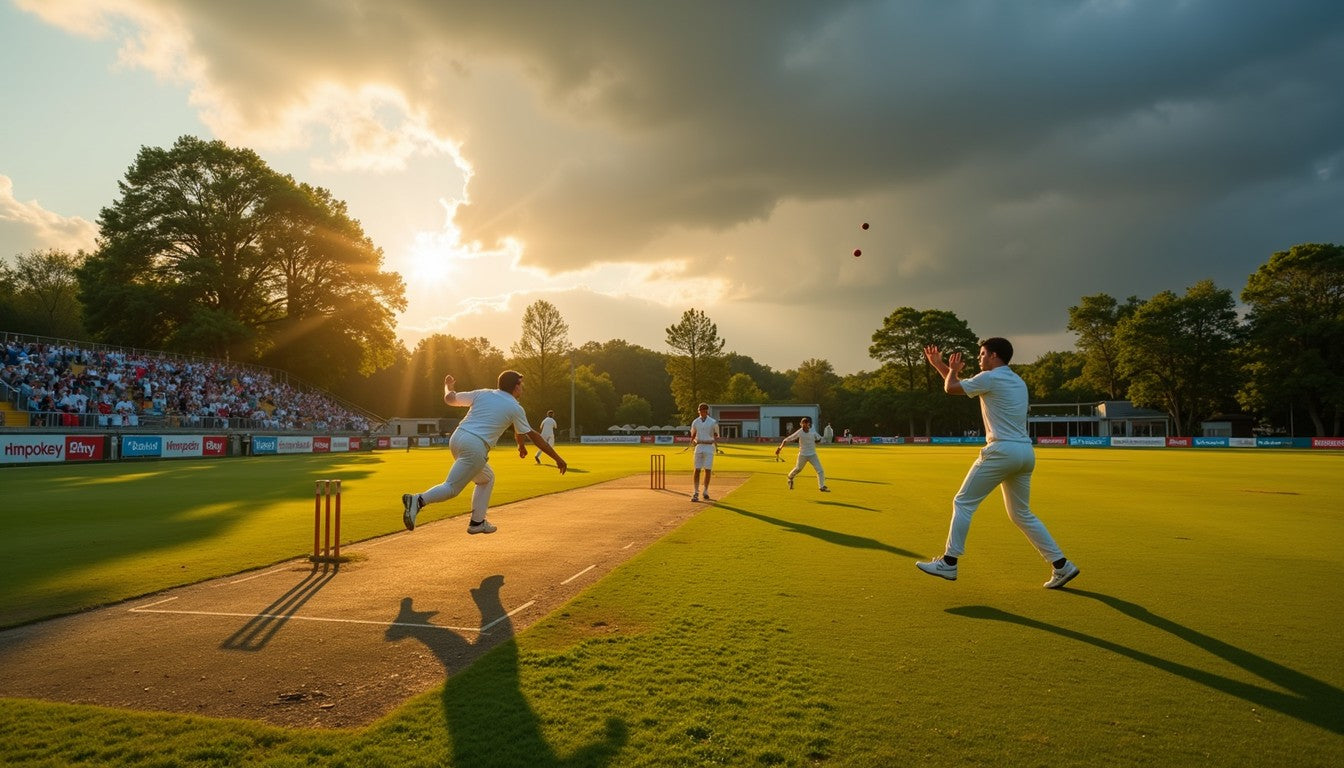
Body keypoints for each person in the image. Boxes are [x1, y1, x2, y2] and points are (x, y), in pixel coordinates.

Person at [917, 338, 1080, 589]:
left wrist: (950, 369)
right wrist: (941, 367)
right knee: (1021, 514)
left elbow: (951, 388)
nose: (979, 359)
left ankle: (949, 562)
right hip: (1025, 453)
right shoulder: (1017, 380)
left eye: (982, 354)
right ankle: (1061, 565)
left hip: (1001, 450)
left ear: (994, 356)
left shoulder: (990, 378)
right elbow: (957, 385)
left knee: (963, 502)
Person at [402, 370, 566, 535]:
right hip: (475, 446)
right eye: (521, 384)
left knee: (486, 478)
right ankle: (418, 500)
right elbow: (534, 436)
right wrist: (558, 458)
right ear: (516, 387)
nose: (522, 387)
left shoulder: (484, 393)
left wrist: (448, 386)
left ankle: (477, 522)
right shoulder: (515, 407)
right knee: (451, 487)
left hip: (458, 437)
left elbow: (450, 399)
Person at [776, 416, 829, 492]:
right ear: (801, 424)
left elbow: (819, 439)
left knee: (820, 470)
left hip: (812, 454)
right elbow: (786, 440)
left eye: (805, 424)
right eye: (802, 424)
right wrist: (779, 448)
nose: (804, 426)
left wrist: (819, 441)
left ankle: (822, 486)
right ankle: (790, 477)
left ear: (808, 424)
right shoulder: (799, 432)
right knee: (798, 469)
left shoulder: (813, 432)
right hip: (803, 455)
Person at [688, 402, 719, 502]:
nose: (702, 412)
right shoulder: (695, 422)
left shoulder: (713, 422)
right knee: (697, 469)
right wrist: (695, 441)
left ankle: (705, 491)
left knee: (707, 470)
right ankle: (696, 491)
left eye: (704, 411)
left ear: (707, 411)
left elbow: (716, 436)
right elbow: (693, 436)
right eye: (701, 411)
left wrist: (710, 441)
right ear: (699, 411)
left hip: (709, 448)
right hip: (699, 447)